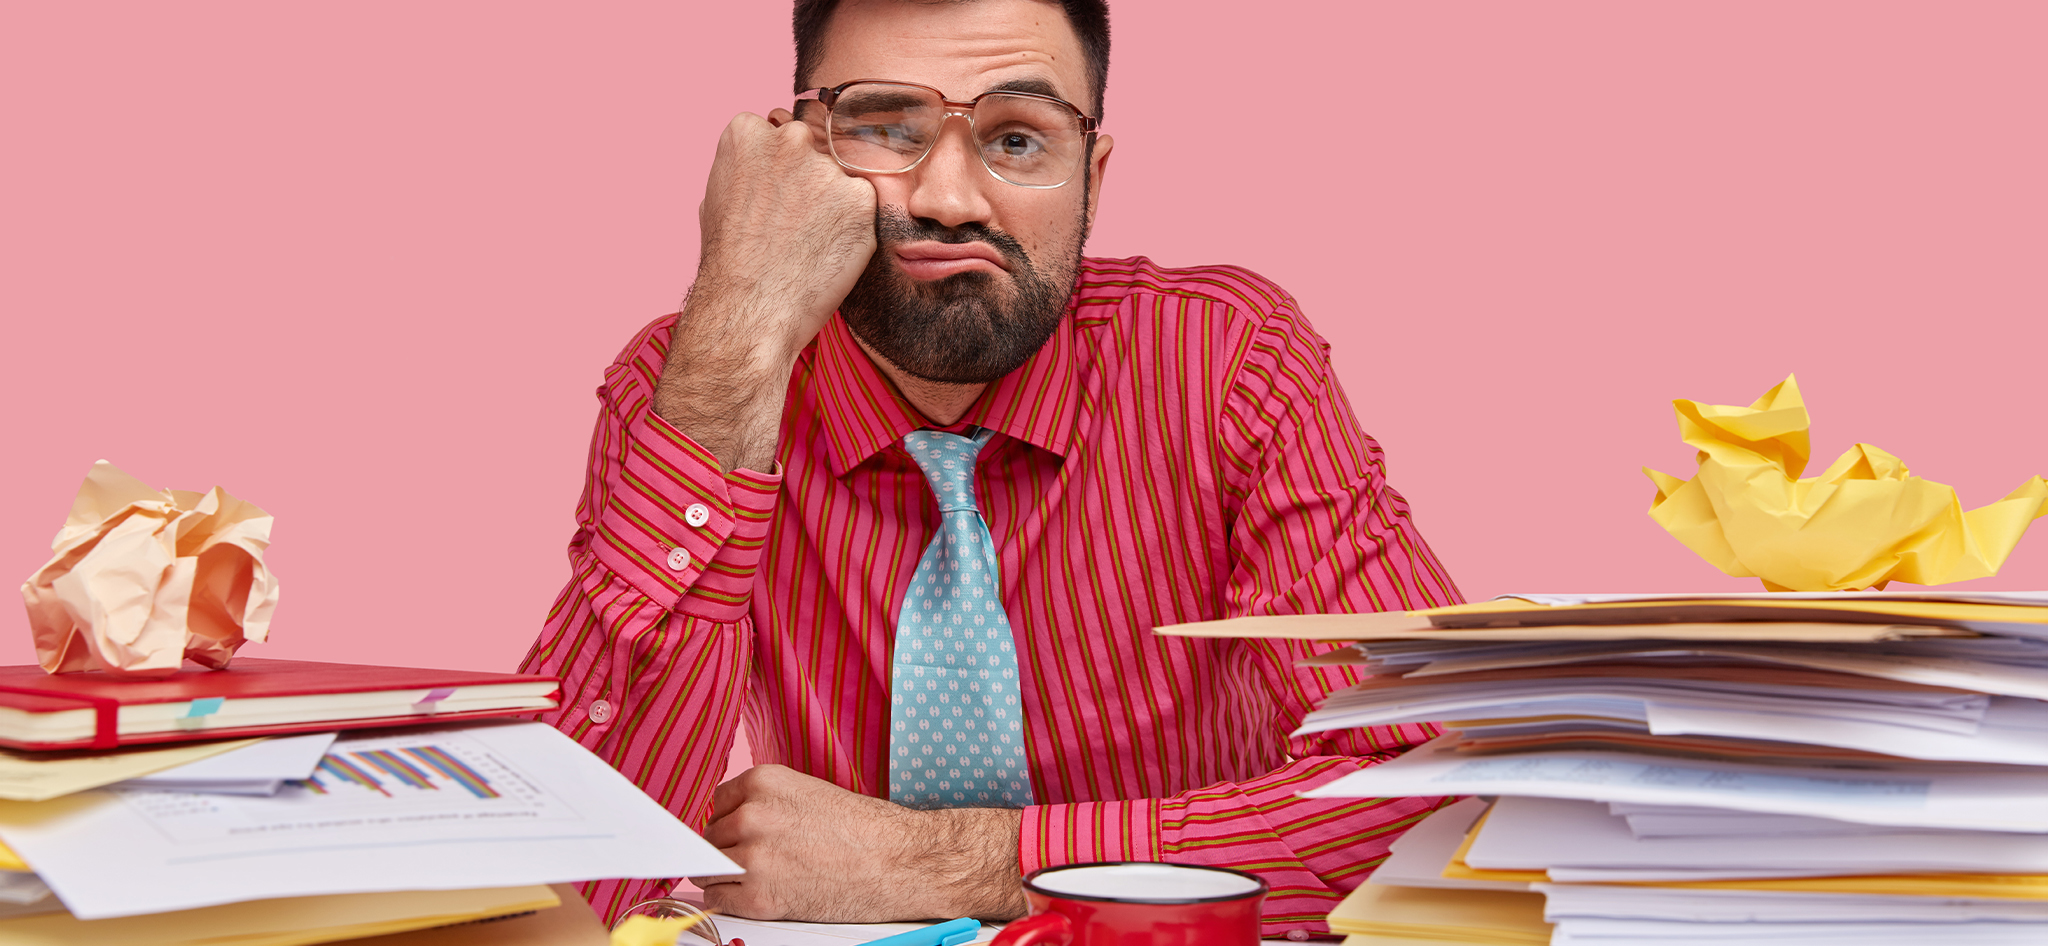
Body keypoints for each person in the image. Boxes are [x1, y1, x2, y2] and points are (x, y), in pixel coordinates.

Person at [520, 0, 1461, 936]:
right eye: (886, 126)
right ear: (792, 165)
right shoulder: (687, 385)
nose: (950, 200)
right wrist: (733, 332)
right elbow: (555, 881)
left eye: (1018, 139)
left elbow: (1434, 794)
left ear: (1091, 175)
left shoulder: (1227, 360)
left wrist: (955, 864)